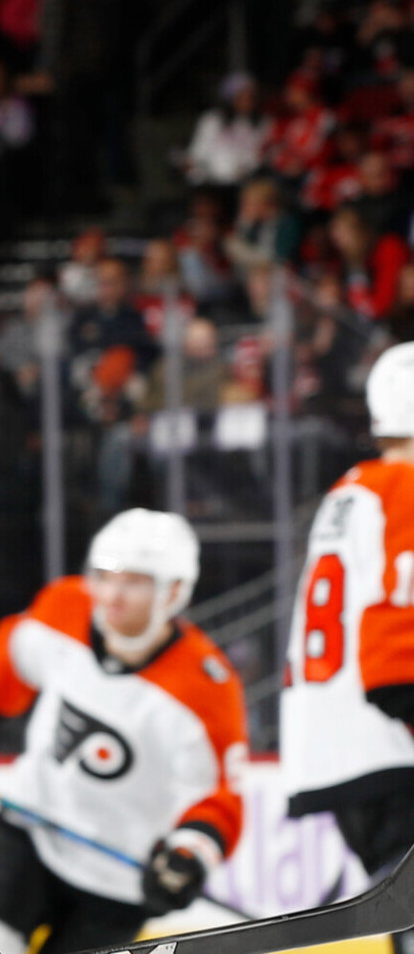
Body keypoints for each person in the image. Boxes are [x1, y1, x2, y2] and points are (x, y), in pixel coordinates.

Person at [0, 510, 249, 954]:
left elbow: (218, 797)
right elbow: (4, 671)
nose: (112, 595)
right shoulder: (64, 608)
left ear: (174, 592)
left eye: (134, 582)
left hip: (119, 882)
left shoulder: (208, 689)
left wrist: (188, 857)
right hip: (30, 832)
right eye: (104, 576)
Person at [281, 343, 414, 954]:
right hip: (390, 744)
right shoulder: (405, 487)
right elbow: (398, 632)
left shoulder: (351, 491)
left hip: (337, 746)